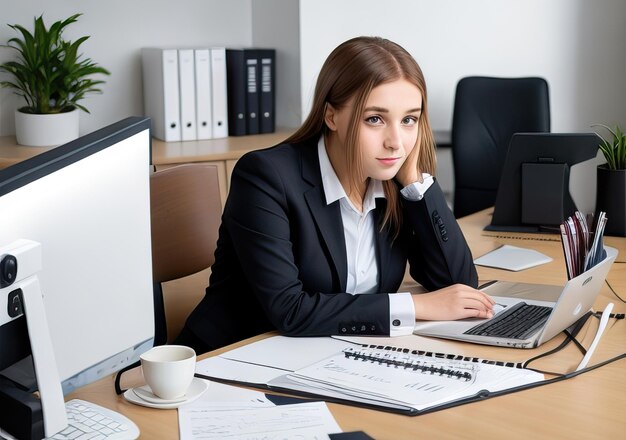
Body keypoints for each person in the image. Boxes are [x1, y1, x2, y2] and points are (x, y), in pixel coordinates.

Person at [177, 36, 494, 353]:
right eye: (375, 119)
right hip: (229, 360)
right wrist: (415, 306)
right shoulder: (265, 176)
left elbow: (458, 285)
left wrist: (413, 179)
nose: (396, 142)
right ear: (332, 116)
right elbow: (290, 311)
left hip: (329, 356)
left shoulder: (392, 178)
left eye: (409, 119)